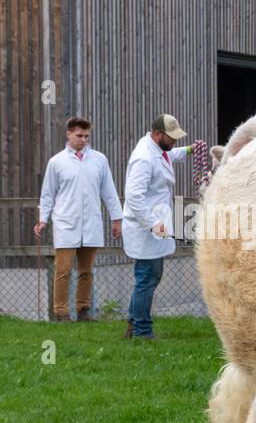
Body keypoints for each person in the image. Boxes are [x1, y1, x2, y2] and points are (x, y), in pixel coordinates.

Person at [34, 117, 123, 321]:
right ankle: (61, 312)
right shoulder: (56, 162)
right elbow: (48, 193)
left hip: (91, 223)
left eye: (86, 136)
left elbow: (109, 191)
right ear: (69, 134)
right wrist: (43, 219)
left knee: (86, 271)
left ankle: (83, 311)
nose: (83, 140)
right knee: (63, 271)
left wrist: (117, 219)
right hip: (66, 223)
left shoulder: (99, 160)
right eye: (79, 136)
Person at [122, 114, 191, 339]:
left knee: (149, 276)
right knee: (147, 277)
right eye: (171, 138)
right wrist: (152, 224)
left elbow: (169, 155)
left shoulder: (157, 150)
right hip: (145, 229)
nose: (174, 143)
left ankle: (134, 324)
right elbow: (133, 196)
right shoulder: (144, 158)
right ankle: (142, 331)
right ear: (157, 134)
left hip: (154, 226)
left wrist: (190, 150)